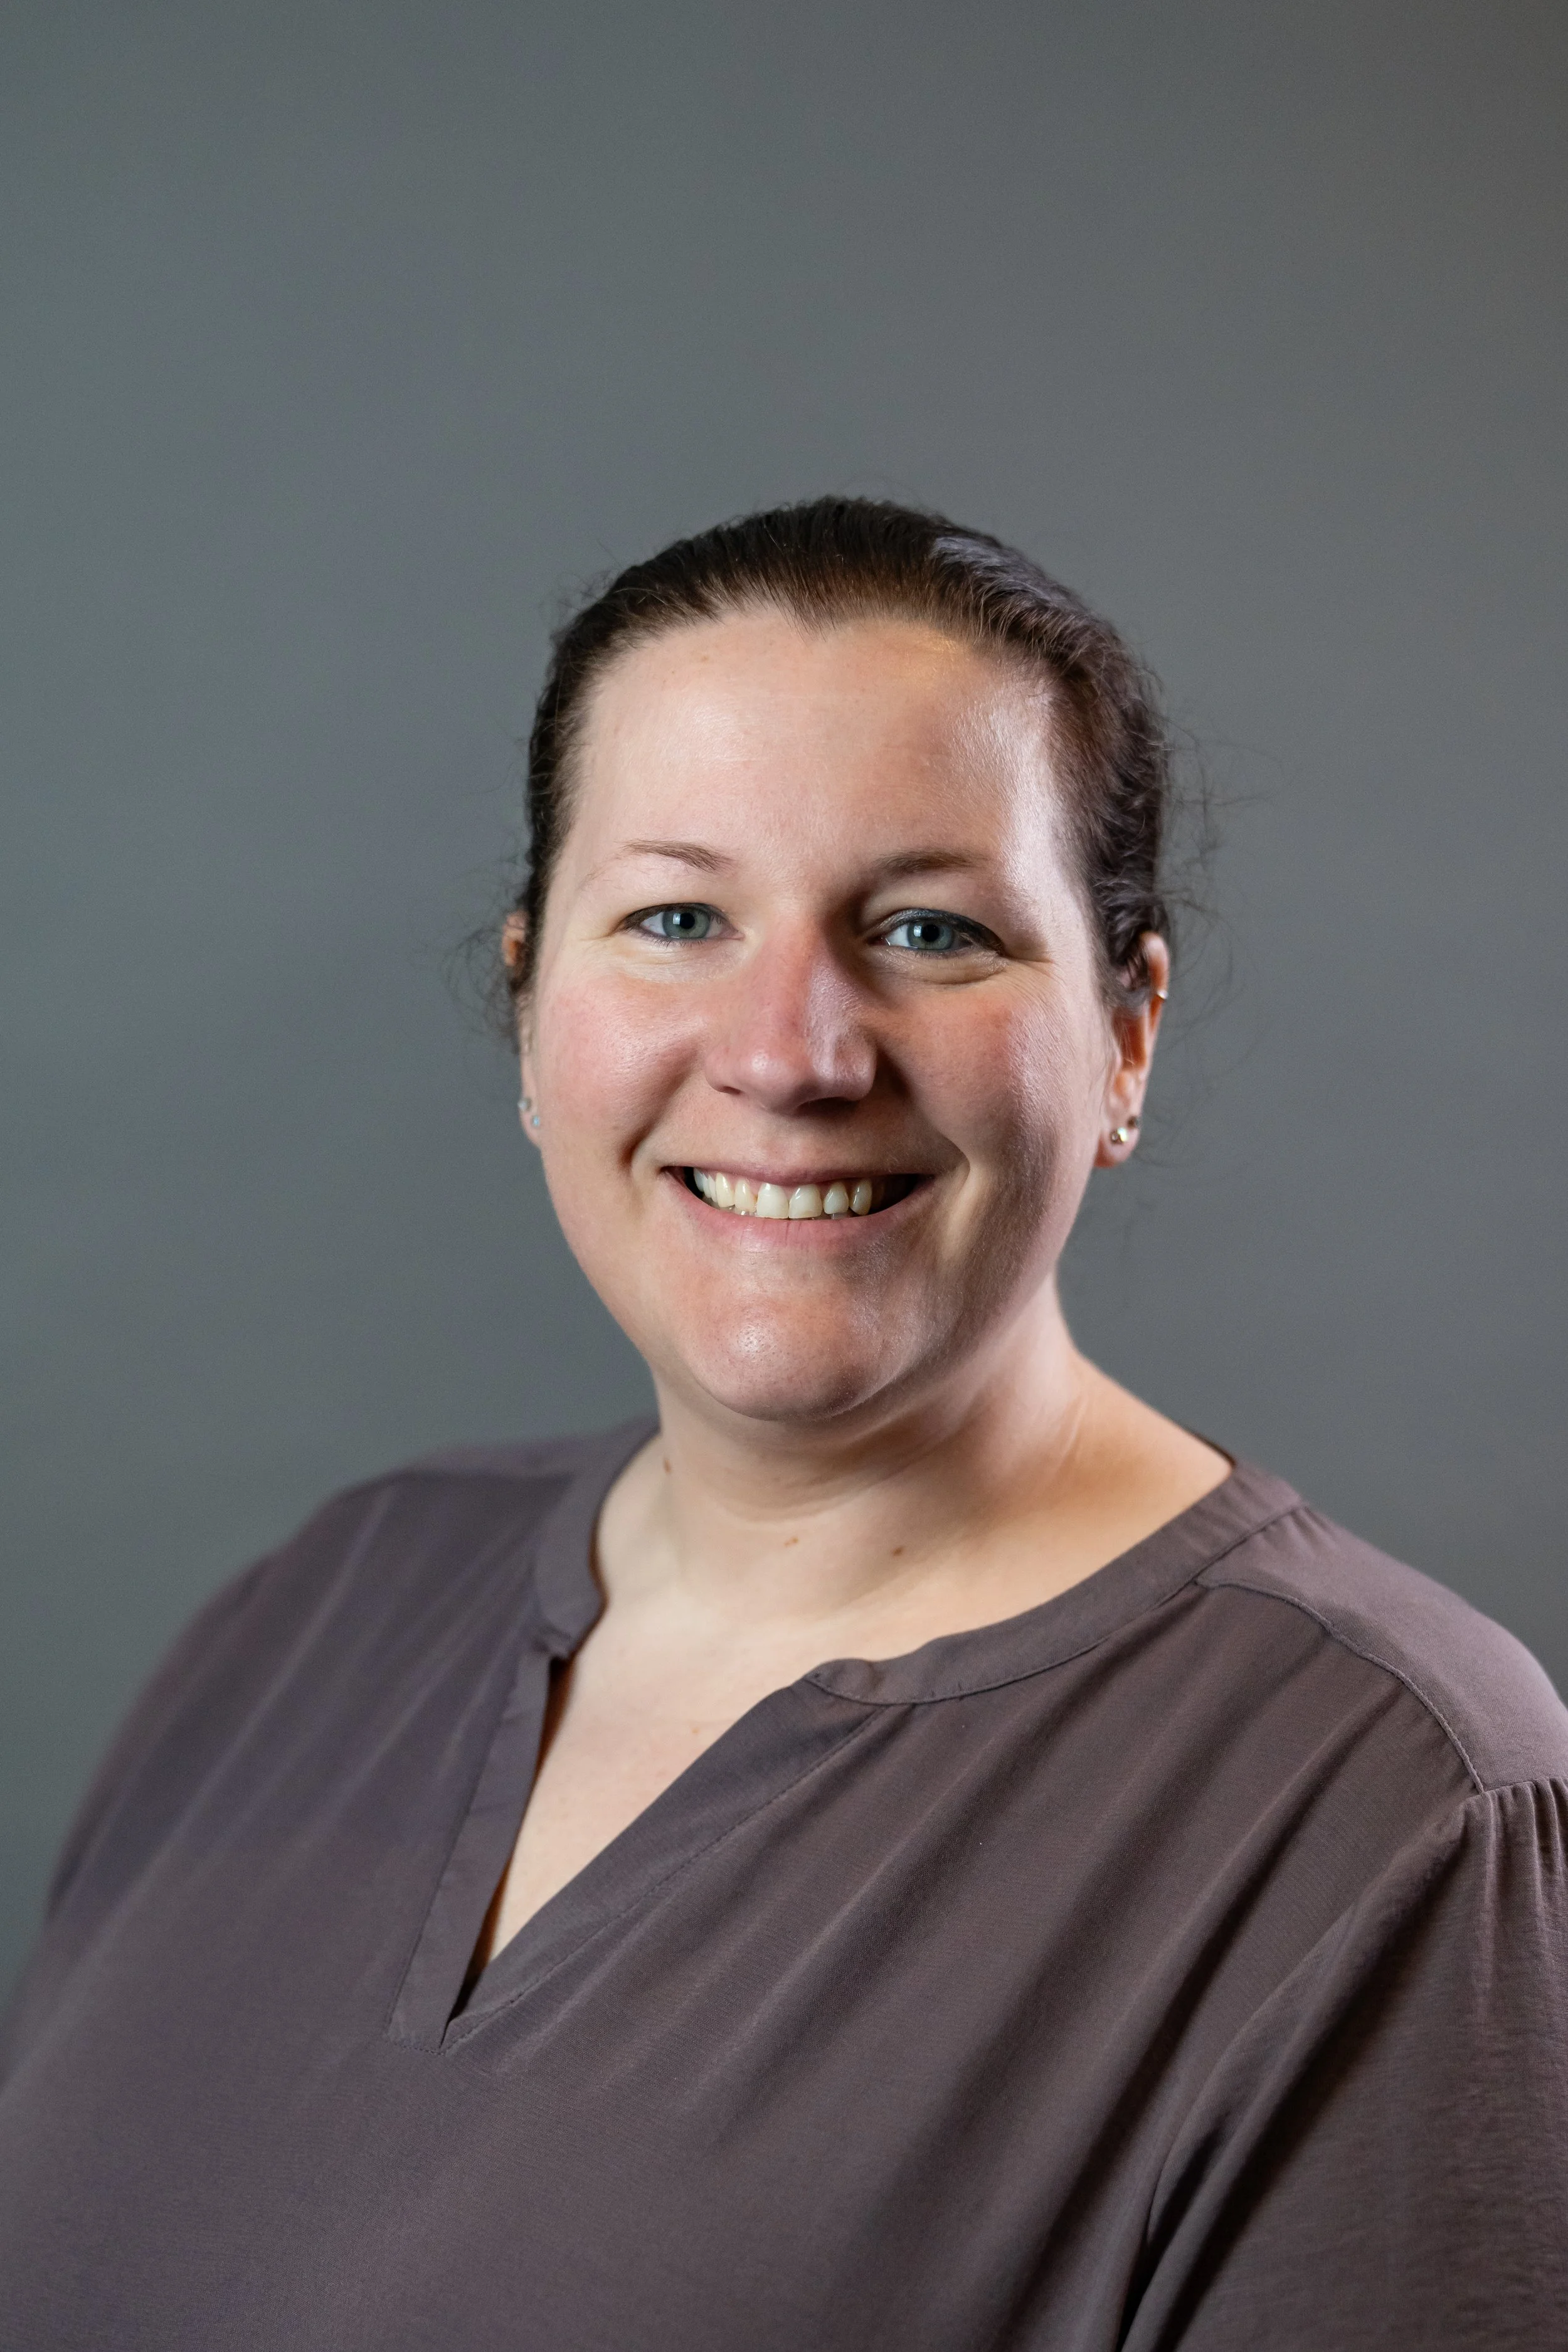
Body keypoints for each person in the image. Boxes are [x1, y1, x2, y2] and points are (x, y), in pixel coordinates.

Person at [1, 498, 1564, 2349]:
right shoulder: (316, 1615)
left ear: (1124, 1034)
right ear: (528, 1005)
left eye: (928, 926)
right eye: (674, 916)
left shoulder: (1389, 1807)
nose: (791, 1051)